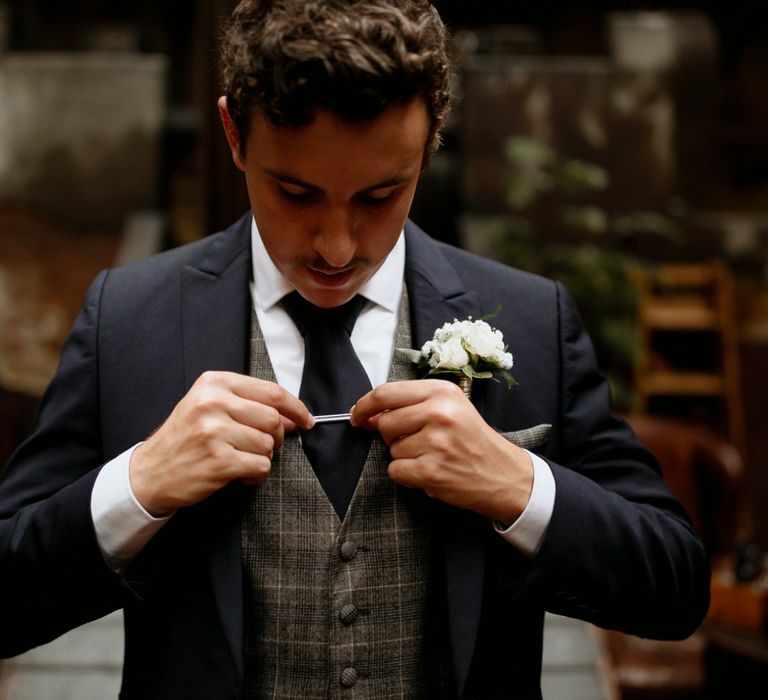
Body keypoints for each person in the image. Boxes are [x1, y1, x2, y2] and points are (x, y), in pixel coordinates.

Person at [0, 1, 709, 698]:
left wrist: (521, 486)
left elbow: (674, 588)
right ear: (234, 134)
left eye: (380, 195)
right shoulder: (128, 320)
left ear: (431, 138)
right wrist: (136, 486)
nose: (336, 247)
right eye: (296, 193)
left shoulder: (533, 318)